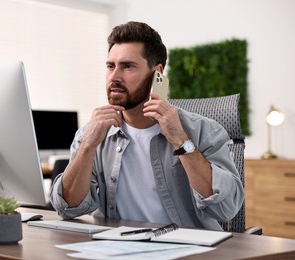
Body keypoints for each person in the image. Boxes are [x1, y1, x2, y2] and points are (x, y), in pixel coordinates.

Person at [49, 21, 245, 231]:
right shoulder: (91, 134)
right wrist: (88, 145)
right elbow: (67, 208)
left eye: (128, 66)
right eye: (110, 66)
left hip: (188, 248)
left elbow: (226, 208)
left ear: (157, 73)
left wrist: (180, 140)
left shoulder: (204, 130)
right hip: (116, 248)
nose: (114, 77)